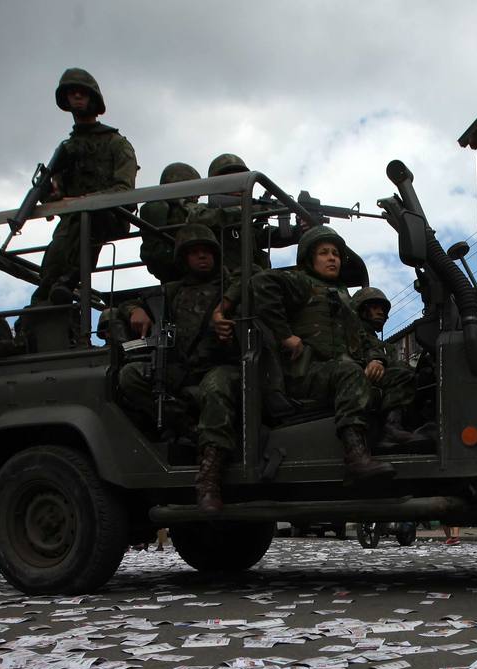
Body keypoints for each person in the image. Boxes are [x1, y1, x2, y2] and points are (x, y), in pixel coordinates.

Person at [216, 225, 394, 485]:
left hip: (339, 371)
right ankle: (356, 455)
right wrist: (284, 335)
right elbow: (261, 283)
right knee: (349, 373)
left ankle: (392, 432)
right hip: (307, 375)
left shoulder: (344, 295)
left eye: (335, 253)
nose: (332, 258)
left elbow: (364, 337)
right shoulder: (301, 282)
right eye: (323, 253)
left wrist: (377, 360)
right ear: (310, 259)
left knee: (398, 375)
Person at [0, 68, 138, 356]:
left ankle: (67, 284)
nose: (77, 96)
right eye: (71, 92)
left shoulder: (117, 144)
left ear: (94, 99)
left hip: (108, 217)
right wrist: (51, 194)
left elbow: (124, 190)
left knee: (69, 256)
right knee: (50, 270)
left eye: (82, 92)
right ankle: (23, 336)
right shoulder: (68, 148)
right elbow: (59, 190)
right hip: (75, 222)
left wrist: (84, 200)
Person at [117, 224, 240, 513]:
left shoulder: (230, 287)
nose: (202, 258)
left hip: (223, 366)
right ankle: (189, 428)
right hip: (180, 371)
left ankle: (209, 479)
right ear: (183, 258)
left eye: (207, 252)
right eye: (194, 253)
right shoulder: (171, 292)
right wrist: (134, 310)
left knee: (216, 387)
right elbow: (126, 303)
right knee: (130, 376)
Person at [353, 287, 419, 445]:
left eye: (382, 309)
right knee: (403, 375)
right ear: (361, 311)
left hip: (378, 380)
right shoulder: (352, 334)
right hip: (358, 378)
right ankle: (391, 427)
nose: (381, 312)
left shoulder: (385, 346)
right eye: (375, 307)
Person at [139, 162, 201, 282]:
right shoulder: (161, 208)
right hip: (178, 269)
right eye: (194, 188)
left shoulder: (156, 207)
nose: (198, 196)